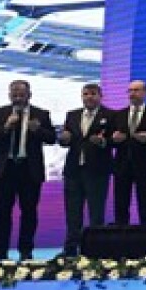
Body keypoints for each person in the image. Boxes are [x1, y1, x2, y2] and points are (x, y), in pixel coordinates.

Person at [0, 80, 56, 261]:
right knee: (2, 212)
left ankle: (26, 251)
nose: (17, 98)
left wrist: (37, 130)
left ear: (29, 95)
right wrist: (6, 127)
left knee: (29, 212)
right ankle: (0, 251)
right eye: (14, 95)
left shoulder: (41, 114)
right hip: (4, 170)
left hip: (29, 170)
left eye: (21, 95)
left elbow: (52, 138)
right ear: (9, 95)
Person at [58, 83, 114, 256]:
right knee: (72, 212)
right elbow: (66, 139)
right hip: (73, 170)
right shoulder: (72, 115)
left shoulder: (110, 115)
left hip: (97, 171)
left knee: (96, 212)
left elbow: (116, 139)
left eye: (93, 93)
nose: (89, 97)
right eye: (86, 94)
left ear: (100, 96)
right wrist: (63, 139)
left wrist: (103, 142)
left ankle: (95, 249)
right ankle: (70, 248)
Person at [110, 80, 146, 226]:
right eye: (130, 90)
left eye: (136, 90)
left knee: (145, 204)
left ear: (145, 93)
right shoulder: (118, 115)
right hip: (121, 165)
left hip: (144, 165)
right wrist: (114, 139)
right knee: (121, 204)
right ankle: (121, 236)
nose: (132, 94)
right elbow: (109, 139)